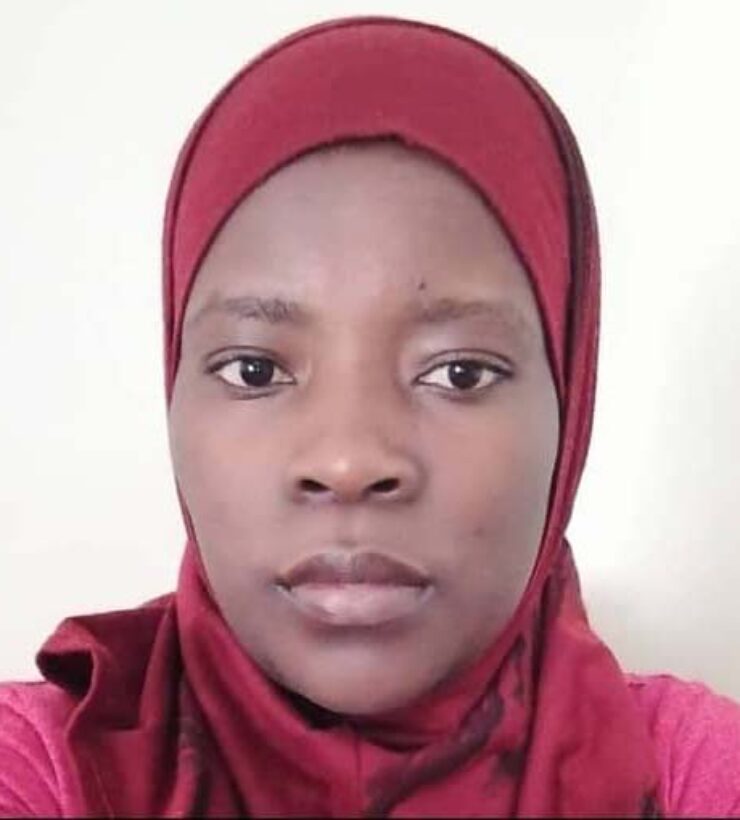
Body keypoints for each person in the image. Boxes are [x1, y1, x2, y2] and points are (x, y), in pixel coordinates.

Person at [1, 15, 739, 817]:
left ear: (570, 399)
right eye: (255, 370)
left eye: (459, 372)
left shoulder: (693, 776)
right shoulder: (43, 771)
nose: (349, 461)